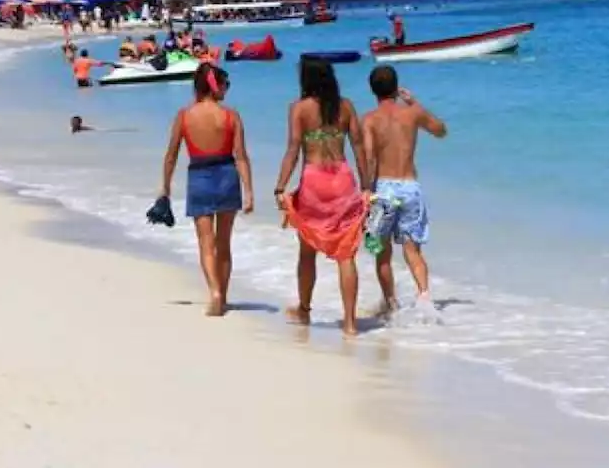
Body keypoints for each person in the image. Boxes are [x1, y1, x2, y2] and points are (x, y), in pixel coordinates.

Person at [274, 58, 371, 336]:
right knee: (346, 254)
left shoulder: (299, 109)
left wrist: (280, 187)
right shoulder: (346, 106)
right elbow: (359, 148)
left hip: (313, 181)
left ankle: (304, 310)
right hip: (342, 180)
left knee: (307, 252)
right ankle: (350, 323)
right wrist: (366, 186)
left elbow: (293, 150)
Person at [160, 64, 253, 316]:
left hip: (199, 177)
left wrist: (165, 189)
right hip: (227, 176)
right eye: (225, 85)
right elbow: (241, 156)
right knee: (224, 243)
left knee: (205, 242)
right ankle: (222, 295)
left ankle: (214, 292)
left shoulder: (184, 116)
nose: (227, 90)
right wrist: (249, 191)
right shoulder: (231, 116)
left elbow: (171, 156)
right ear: (215, 86)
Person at [360, 66, 447, 315]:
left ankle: (390, 305)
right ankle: (424, 298)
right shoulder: (413, 114)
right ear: (397, 88)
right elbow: (441, 131)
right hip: (410, 186)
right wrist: (415, 103)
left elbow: (369, 158)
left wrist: (366, 189)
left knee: (382, 251)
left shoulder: (369, 120)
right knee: (413, 249)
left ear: (372, 90)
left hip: (384, 189)